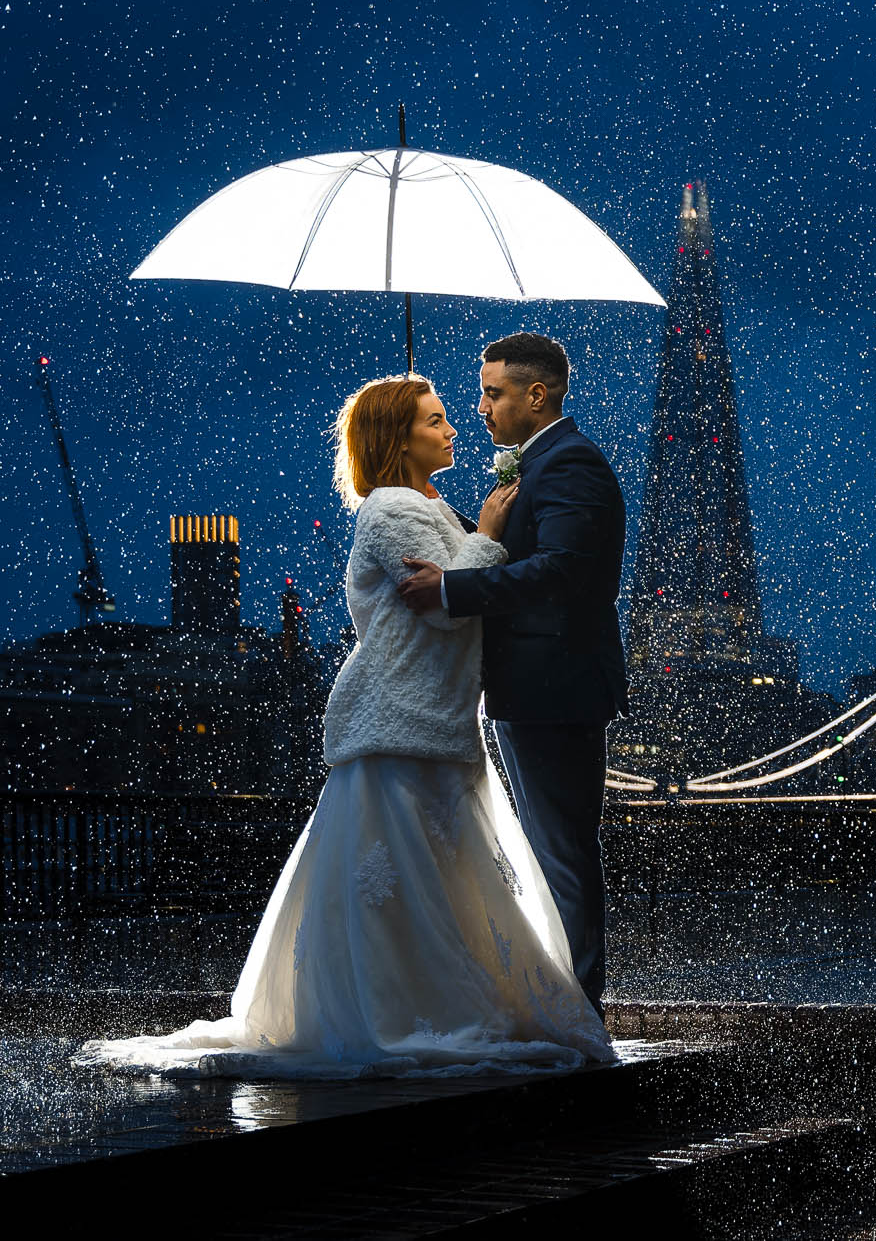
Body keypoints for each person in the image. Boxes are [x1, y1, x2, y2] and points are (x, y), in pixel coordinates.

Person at [77, 376, 615, 1079]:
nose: (456, 428)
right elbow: (446, 602)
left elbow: (457, 583)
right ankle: (407, 1011)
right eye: (436, 419)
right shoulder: (392, 510)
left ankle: (437, 1002)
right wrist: (485, 530)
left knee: (431, 889)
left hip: (434, 721)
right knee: (410, 887)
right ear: (399, 440)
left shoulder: (423, 504)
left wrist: (472, 532)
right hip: (400, 719)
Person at [397, 333, 627, 1012]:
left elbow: (561, 571)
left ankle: (579, 1008)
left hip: (552, 688)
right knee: (553, 850)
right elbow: (526, 551)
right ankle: (567, 1000)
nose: (480, 408)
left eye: (493, 392)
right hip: (532, 688)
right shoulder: (538, 464)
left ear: (538, 393)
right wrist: (461, 523)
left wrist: (451, 589)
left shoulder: (570, 463)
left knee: (562, 852)